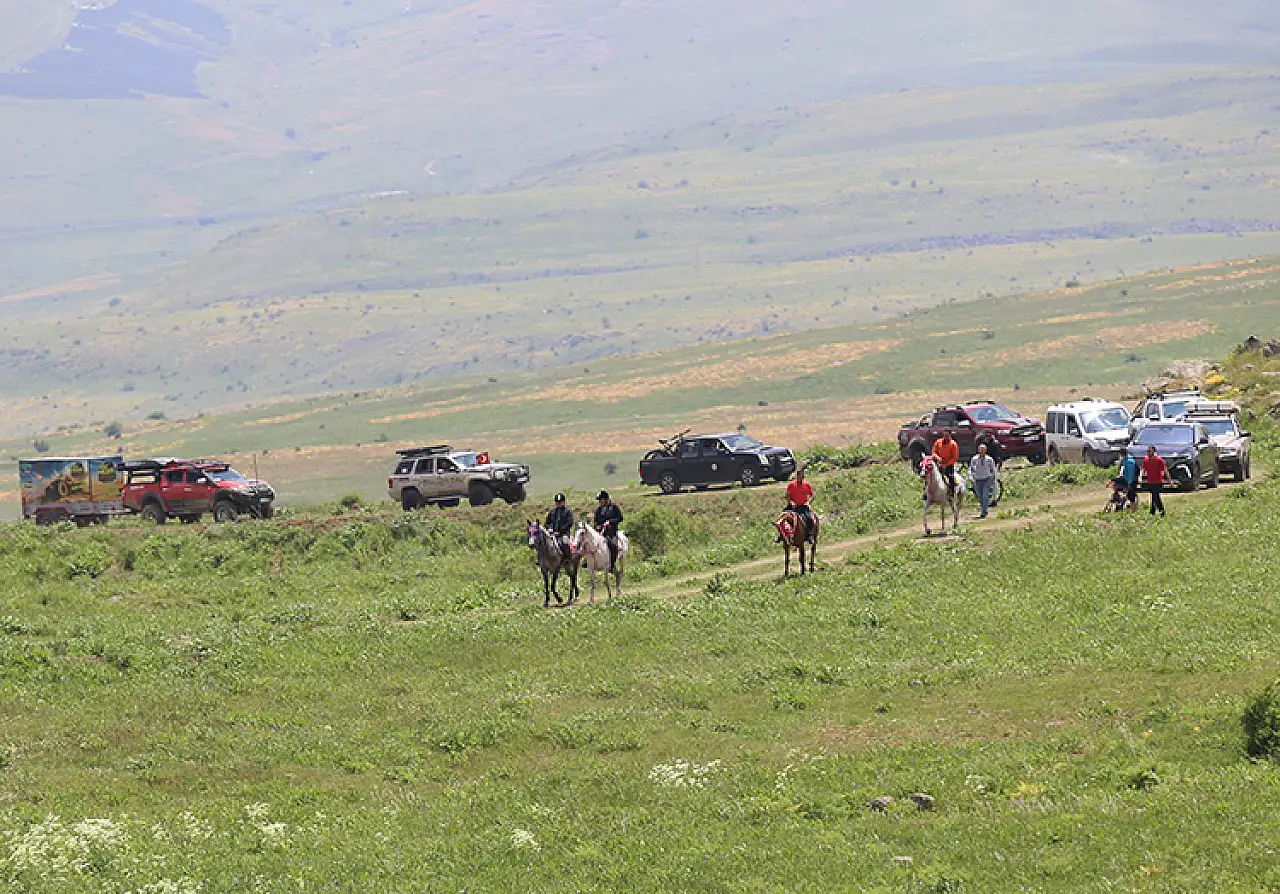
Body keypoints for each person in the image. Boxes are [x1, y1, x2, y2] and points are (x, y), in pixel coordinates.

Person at [594, 490, 624, 572]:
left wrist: (610, 522)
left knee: (613, 544)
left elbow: (620, 518)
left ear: (605, 499)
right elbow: (596, 521)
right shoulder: (598, 510)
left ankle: (612, 564)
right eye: (599, 500)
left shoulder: (614, 507)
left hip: (611, 532)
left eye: (601, 500)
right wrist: (597, 526)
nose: (599, 502)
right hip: (600, 532)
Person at [785, 467, 817, 543]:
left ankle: (809, 535)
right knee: (783, 518)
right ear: (797, 476)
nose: (801, 477)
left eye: (803, 476)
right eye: (800, 476)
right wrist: (791, 502)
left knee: (809, 519)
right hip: (793, 506)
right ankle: (782, 536)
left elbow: (812, 495)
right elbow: (787, 496)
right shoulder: (791, 485)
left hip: (803, 506)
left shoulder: (806, 485)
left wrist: (808, 502)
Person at [968, 443, 998, 519]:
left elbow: (993, 469)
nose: (981, 451)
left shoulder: (989, 459)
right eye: (980, 450)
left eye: (983, 450)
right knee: (980, 496)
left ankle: (983, 512)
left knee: (985, 495)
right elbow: (970, 469)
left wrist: (993, 478)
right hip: (977, 479)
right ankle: (984, 509)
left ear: (985, 450)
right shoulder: (974, 459)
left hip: (987, 479)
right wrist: (970, 476)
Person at [544, 492, 575, 560]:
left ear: (563, 502)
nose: (558, 504)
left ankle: (567, 559)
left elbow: (569, 523)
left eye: (560, 502)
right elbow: (546, 523)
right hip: (551, 534)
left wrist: (560, 532)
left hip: (563, 534)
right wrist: (549, 529)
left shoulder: (568, 512)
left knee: (564, 542)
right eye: (557, 502)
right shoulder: (552, 512)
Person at [1141, 445, 1168, 517]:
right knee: (1154, 496)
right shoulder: (1146, 460)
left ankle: (1162, 512)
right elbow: (1143, 469)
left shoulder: (1159, 460)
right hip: (1150, 481)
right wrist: (1140, 477)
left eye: (1149, 451)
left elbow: (1165, 470)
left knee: (1156, 497)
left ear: (1154, 451)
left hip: (1158, 481)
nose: (1148, 452)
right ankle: (1152, 512)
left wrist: (1169, 480)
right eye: (1147, 451)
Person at [1116, 447, 1140, 511]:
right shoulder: (1125, 460)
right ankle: (1121, 502)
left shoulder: (1129, 461)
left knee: (1131, 497)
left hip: (1131, 481)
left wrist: (1128, 484)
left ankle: (1133, 511)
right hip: (1128, 480)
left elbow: (1130, 474)